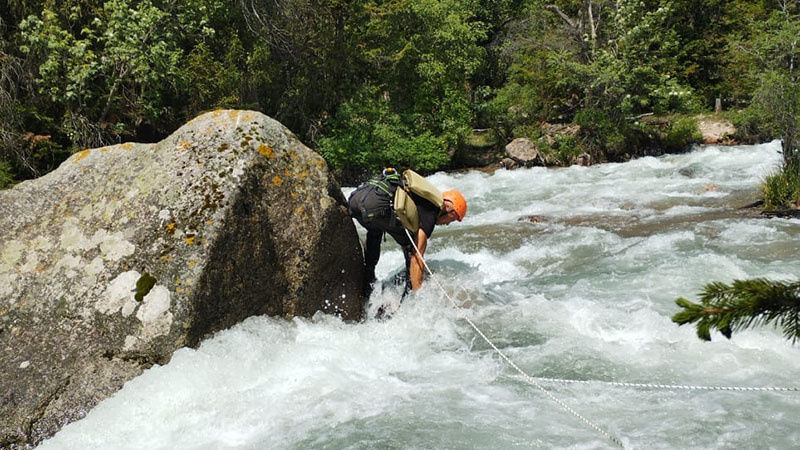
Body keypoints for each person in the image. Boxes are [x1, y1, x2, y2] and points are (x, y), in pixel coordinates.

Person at [348, 168, 467, 299]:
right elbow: (417, 257)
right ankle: (410, 295)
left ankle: (368, 278)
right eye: (452, 219)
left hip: (356, 200)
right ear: (449, 208)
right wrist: (419, 297)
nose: (448, 224)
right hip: (376, 208)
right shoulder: (432, 209)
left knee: (375, 230)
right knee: (411, 246)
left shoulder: (417, 194)